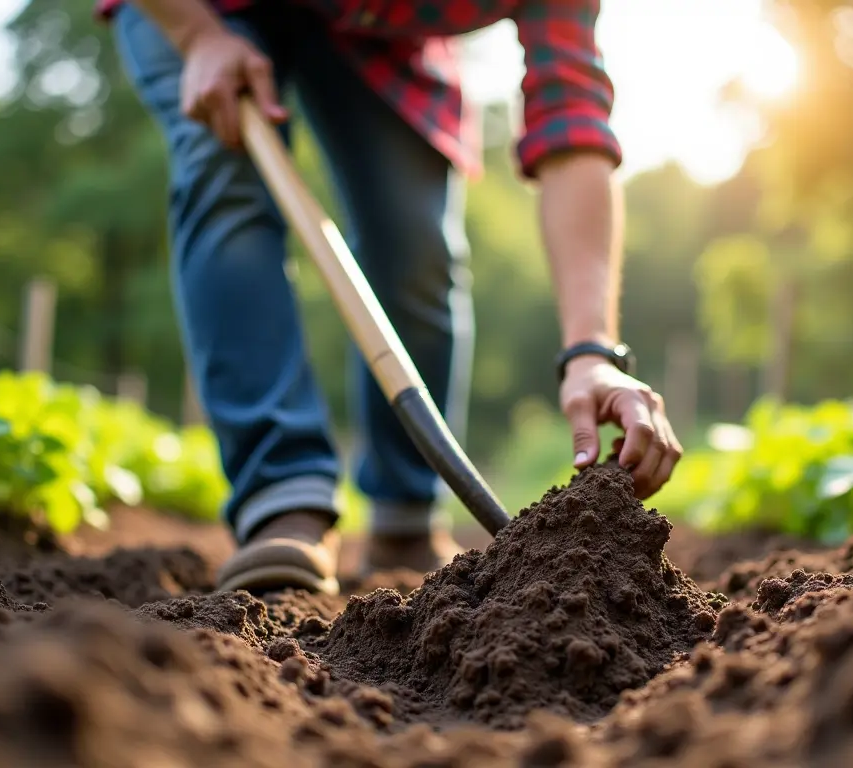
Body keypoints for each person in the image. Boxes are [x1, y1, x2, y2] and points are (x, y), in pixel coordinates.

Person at [98, 0, 683, 596]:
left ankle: (405, 515)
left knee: (415, 241)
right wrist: (197, 35)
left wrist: (591, 353)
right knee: (223, 173)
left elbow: (572, 124)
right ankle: (282, 495)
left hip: (383, 30)